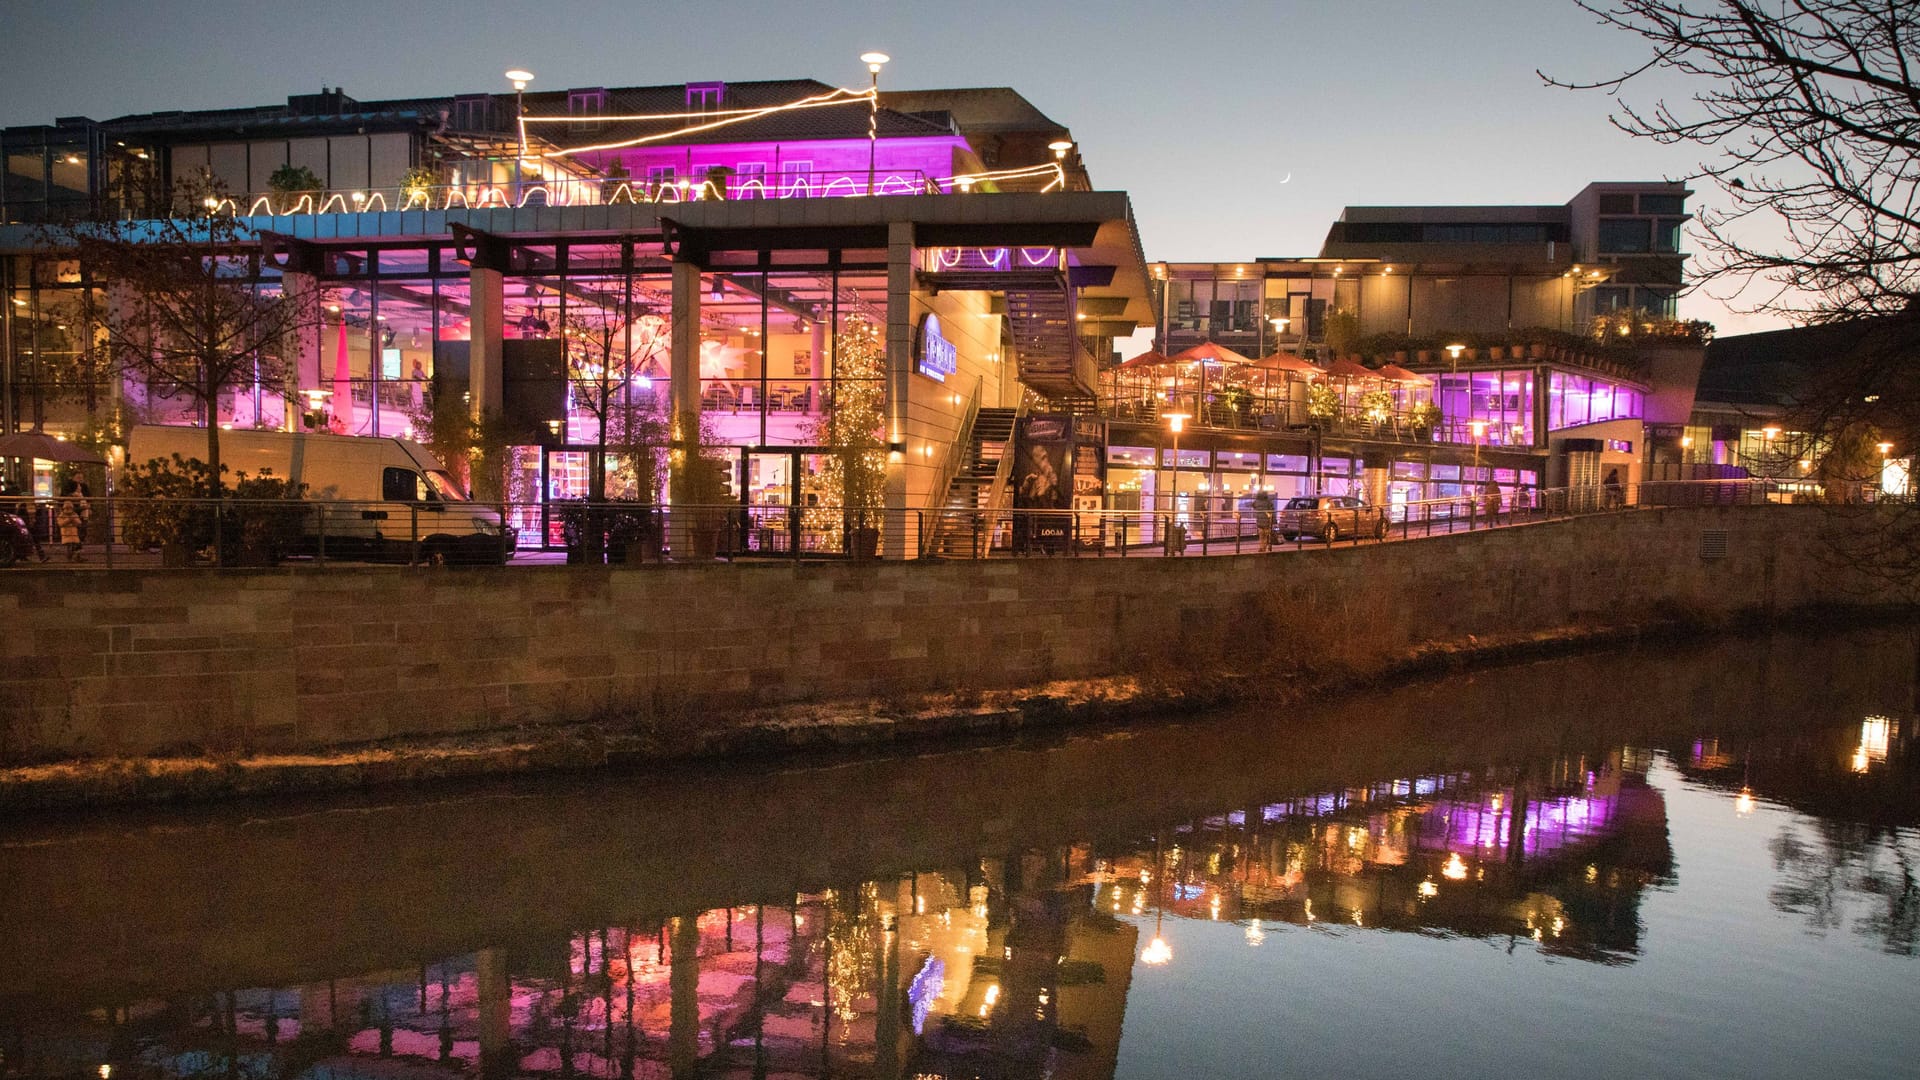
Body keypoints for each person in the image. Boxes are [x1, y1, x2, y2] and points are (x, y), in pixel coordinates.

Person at [0, 477, 50, 562]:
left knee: (27, 538)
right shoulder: (23, 502)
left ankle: (31, 556)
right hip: (23, 523)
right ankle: (39, 556)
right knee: (32, 538)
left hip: (19, 523)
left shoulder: (10, 498)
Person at [56, 477, 89, 563]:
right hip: (74, 522)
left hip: (78, 519)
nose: (80, 487)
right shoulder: (72, 498)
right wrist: (82, 508)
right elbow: (72, 508)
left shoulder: (79, 495)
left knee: (78, 539)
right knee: (76, 539)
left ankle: (75, 555)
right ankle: (74, 556)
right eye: (78, 486)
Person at [1252, 487, 1277, 552]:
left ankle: (1261, 547)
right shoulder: (1268, 501)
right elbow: (1272, 511)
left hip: (1259, 521)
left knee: (1261, 536)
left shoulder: (1256, 501)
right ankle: (1264, 548)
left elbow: (1253, 505)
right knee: (1266, 536)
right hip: (1267, 521)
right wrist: (1274, 521)